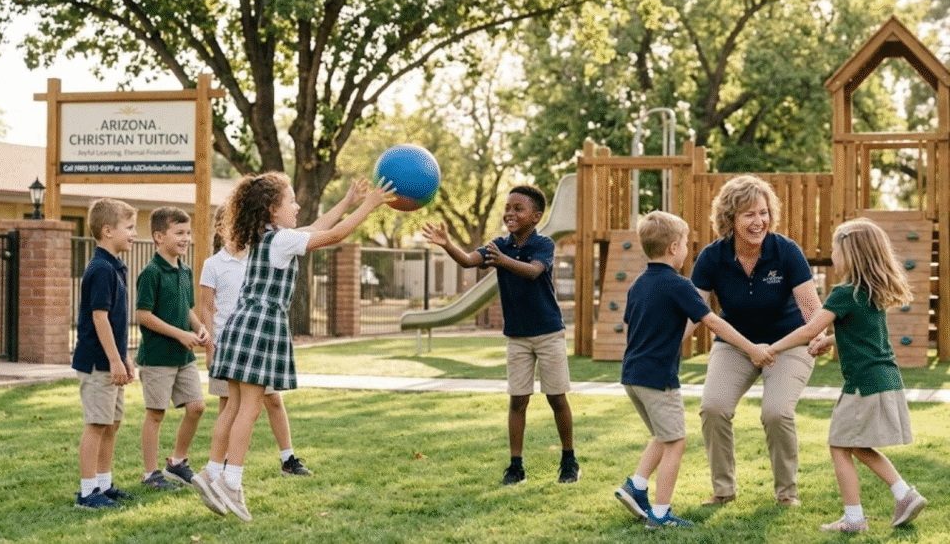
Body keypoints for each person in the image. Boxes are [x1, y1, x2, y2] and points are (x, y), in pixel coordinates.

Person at [191, 172, 394, 521]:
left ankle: (212, 472)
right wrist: (369, 207)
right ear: (273, 209)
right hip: (260, 326)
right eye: (290, 201)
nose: (297, 206)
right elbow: (331, 235)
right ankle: (231, 481)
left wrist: (348, 202)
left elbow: (317, 225)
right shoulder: (281, 240)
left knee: (235, 406)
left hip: (243, 323)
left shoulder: (266, 237)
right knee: (250, 408)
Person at [768, 218, 926, 532]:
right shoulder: (870, 291)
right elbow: (862, 333)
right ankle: (902, 494)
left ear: (850, 253)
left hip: (863, 384)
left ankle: (856, 518)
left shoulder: (844, 292)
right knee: (855, 444)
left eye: (835, 251)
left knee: (840, 445)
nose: (832, 257)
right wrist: (829, 341)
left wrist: (773, 348)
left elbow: (811, 327)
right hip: (884, 379)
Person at [615, 211, 770, 529]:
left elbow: (629, 324)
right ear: (674, 247)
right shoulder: (678, 285)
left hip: (632, 375)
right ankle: (659, 515)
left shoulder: (638, 284)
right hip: (659, 379)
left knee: (663, 434)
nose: (687, 248)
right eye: (685, 242)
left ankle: (636, 486)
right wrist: (752, 348)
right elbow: (712, 321)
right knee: (676, 441)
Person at [422, 185, 580, 486]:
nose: (510, 212)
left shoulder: (543, 244)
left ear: (535, 216)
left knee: (556, 397)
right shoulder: (499, 245)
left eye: (518, 208)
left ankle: (569, 459)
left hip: (548, 333)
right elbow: (469, 260)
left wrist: (501, 261)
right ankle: (516, 466)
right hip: (517, 336)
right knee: (518, 400)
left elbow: (533, 271)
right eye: (507, 207)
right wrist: (447, 244)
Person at [691, 175, 823, 506]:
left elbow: (811, 308)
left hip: (788, 343)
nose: (758, 221)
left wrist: (820, 338)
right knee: (713, 408)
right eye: (749, 214)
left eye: (763, 213)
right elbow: (693, 311)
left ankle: (786, 494)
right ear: (730, 219)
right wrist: (661, 347)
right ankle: (723, 491)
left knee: (777, 412)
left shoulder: (786, 251)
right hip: (735, 344)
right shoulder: (712, 257)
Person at [198, 205, 313, 477]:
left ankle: (285, 458)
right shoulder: (213, 265)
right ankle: (221, 468)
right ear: (221, 229)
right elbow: (206, 309)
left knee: (266, 402)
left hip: (257, 342)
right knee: (232, 407)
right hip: (230, 345)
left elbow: (314, 231)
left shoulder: (259, 252)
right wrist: (210, 348)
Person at [135, 207, 211, 491]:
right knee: (156, 414)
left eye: (187, 233)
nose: (185, 238)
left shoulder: (185, 269)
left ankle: (177, 463)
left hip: (184, 356)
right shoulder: (151, 273)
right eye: (179, 233)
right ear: (158, 237)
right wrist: (180, 334)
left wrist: (198, 328)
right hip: (157, 358)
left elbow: (186, 308)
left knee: (197, 407)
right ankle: (150, 473)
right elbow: (143, 315)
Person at [72, 198, 138, 509]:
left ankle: (103, 484)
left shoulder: (114, 266)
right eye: (129, 227)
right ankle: (87, 493)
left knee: (111, 423)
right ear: (108, 230)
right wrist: (113, 360)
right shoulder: (100, 269)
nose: (134, 233)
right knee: (96, 424)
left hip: (112, 361)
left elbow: (114, 320)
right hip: (98, 363)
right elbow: (99, 317)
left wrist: (124, 357)